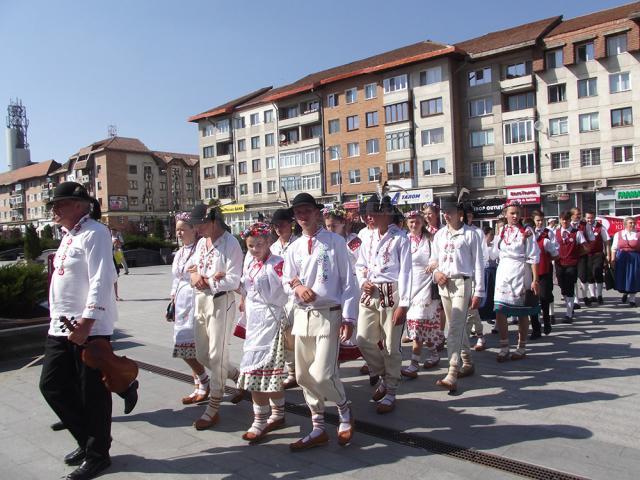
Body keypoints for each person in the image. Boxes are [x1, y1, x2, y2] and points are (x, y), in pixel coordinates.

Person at [39, 182, 136, 480]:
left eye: (61, 203)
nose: (55, 208)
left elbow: (102, 278)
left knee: (92, 393)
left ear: (80, 205)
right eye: (53, 204)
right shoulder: (69, 235)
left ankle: (97, 454)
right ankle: (86, 440)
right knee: (52, 385)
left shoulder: (95, 232)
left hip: (87, 328)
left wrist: (88, 322)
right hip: (61, 325)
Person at [282, 192, 358, 450]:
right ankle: (317, 427)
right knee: (303, 375)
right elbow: (287, 278)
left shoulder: (335, 242)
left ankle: (344, 411)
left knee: (323, 374)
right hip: (303, 317)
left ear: (317, 213)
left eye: (307, 211)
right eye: (298, 212)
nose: (302, 216)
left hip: (329, 314)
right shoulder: (293, 247)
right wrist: (297, 287)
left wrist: (349, 316)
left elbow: (349, 282)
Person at [188, 204, 244, 430]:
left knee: (217, 354)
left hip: (222, 302)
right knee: (202, 354)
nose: (197, 229)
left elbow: (234, 280)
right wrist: (194, 275)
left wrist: (208, 280)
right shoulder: (202, 242)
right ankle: (240, 377)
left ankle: (214, 405)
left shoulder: (231, 244)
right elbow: (192, 267)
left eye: (199, 224)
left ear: (212, 221)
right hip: (201, 300)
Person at [355, 195, 411, 413]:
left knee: (390, 345)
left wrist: (404, 304)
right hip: (369, 293)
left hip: (391, 293)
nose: (369, 216)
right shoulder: (364, 235)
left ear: (387, 213)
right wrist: (362, 281)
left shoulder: (400, 238)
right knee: (363, 339)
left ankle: (391, 390)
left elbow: (406, 272)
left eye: (375, 212)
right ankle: (385, 375)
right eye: (368, 212)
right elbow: (360, 264)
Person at [237, 222, 288, 443]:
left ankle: (264, 419)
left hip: (272, 322)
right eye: (250, 246)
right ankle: (274, 414)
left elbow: (289, 290)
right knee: (255, 370)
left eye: (259, 244)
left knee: (264, 373)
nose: (255, 249)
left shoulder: (278, 264)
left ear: (268, 242)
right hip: (255, 322)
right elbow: (245, 287)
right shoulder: (251, 264)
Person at [428, 203, 484, 392]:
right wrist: (436, 273)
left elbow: (478, 264)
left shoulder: (471, 234)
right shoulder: (439, 235)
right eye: (444, 212)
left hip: (463, 282)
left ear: (460, 214)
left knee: (455, 328)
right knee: (456, 327)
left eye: (449, 212)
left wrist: (479, 291)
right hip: (445, 285)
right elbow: (433, 260)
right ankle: (467, 361)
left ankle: (452, 371)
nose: (446, 215)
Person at [493, 203, 540, 362]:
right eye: (512, 213)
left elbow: (533, 257)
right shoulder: (501, 231)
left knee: (522, 312)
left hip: (520, 271)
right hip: (503, 271)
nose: (515, 216)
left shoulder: (526, 232)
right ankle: (504, 346)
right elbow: (494, 253)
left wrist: (535, 280)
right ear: (505, 214)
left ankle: (521, 347)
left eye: (517, 213)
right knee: (500, 309)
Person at [170, 212, 209, 405]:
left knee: (188, 347)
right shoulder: (180, 252)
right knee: (187, 347)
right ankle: (199, 385)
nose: (179, 233)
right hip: (181, 302)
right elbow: (176, 278)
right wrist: (172, 299)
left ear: (194, 229)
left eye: (182, 229)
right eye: (177, 229)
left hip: (195, 300)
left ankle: (205, 382)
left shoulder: (201, 248)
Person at [400, 210, 442, 379]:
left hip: (425, 284)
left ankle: (414, 365)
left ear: (422, 222)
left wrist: (433, 265)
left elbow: (437, 257)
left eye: (416, 221)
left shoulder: (431, 239)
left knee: (418, 326)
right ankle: (434, 354)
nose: (413, 225)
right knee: (420, 326)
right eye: (410, 222)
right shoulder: (404, 239)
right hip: (410, 285)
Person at [323, 205, 363, 364]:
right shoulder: (326, 242)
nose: (330, 229)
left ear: (343, 224)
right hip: (334, 286)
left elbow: (362, 262)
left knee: (355, 322)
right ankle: (335, 361)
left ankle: (371, 361)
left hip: (352, 284)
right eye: (328, 226)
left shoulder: (353, 241)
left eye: (334, 225)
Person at [270, 208, 299, 389]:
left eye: (283, 224)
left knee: (295, 335)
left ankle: (301, 371)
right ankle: (292, 372)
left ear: (291, 224)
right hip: (279, 297)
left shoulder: (298, 244)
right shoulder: (272, 247)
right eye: (276, 225)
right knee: (284, 336)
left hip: (295, 296)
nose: (279, 228)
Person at [530, 211, 559, 338]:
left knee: (544, 297)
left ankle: (546, 321)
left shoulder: (548, 233)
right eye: (537, 220)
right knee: (532, 300)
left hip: (544, 270)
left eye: (541, 220)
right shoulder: (528, 234)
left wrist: (548, 257)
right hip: (531, 273)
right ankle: (536, 328)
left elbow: (555, 251)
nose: (540, 223)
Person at [555, 211, 588, 322]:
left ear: (570, 220)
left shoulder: (577, 233)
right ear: (559, 220)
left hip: (571, 264)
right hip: (559, 264)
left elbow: (585, 247)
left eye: (567, 219)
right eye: (563, 219)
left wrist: (577, 255)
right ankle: (569, 305)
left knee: (569, 287)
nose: (565, 222)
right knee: (562, 287)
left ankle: (569, 314)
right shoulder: (555, 232)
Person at [464, 210, 486, 352]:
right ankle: (478, 335)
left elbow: (482, 256)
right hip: (458, 278)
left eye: (470, 215)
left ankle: (474, 336)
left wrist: (479, 283)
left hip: (472, 275)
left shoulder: (477, 232)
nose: (467, 218)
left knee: (471, 309)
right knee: (468, 311)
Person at [611, 216, 640, 307]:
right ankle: (625, 292)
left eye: (633, 223)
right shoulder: (618, 234)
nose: (632, 224)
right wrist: (612, 260)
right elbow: (614, 248)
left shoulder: (638, 234)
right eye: (630, 223)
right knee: (623, 277)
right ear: (625, 224)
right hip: (622, 258)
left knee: (633, 278)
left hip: (635, 258)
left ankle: (632, 300)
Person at [571, 208, 595, 308]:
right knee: (573, 278)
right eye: (577, 214)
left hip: (582, 255)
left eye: (580, 214)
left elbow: (592, 239)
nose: (579, 216)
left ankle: (585, 296)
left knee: (583, 277)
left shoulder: (586, 225)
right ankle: (576, 300)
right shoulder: (567, 225)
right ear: (571, 215)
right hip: (571, 255)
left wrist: (587, 249)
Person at [585, 211, 610, 305]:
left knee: (597, 272)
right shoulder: (583, 227)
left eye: (591, 218)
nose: (589, 220)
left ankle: (599, 295)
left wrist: (608, 254)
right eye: (588, 218)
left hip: (598, 253)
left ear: (594, 217)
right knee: (589, 275)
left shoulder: (600, 227)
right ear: (585, 218)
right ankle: (593, 296)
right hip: (587, 254)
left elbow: (606, 241)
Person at [478, 226, 498, 324]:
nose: (493, 236)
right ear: (485, 235)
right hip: (485, 272)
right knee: (484, 294)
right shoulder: (481, 246)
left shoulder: (493, 245)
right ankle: (481, 315)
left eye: (493, 234)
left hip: (493, 271)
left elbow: (495, 256)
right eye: (491, 234)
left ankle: (490, 315)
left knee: (492, 295)